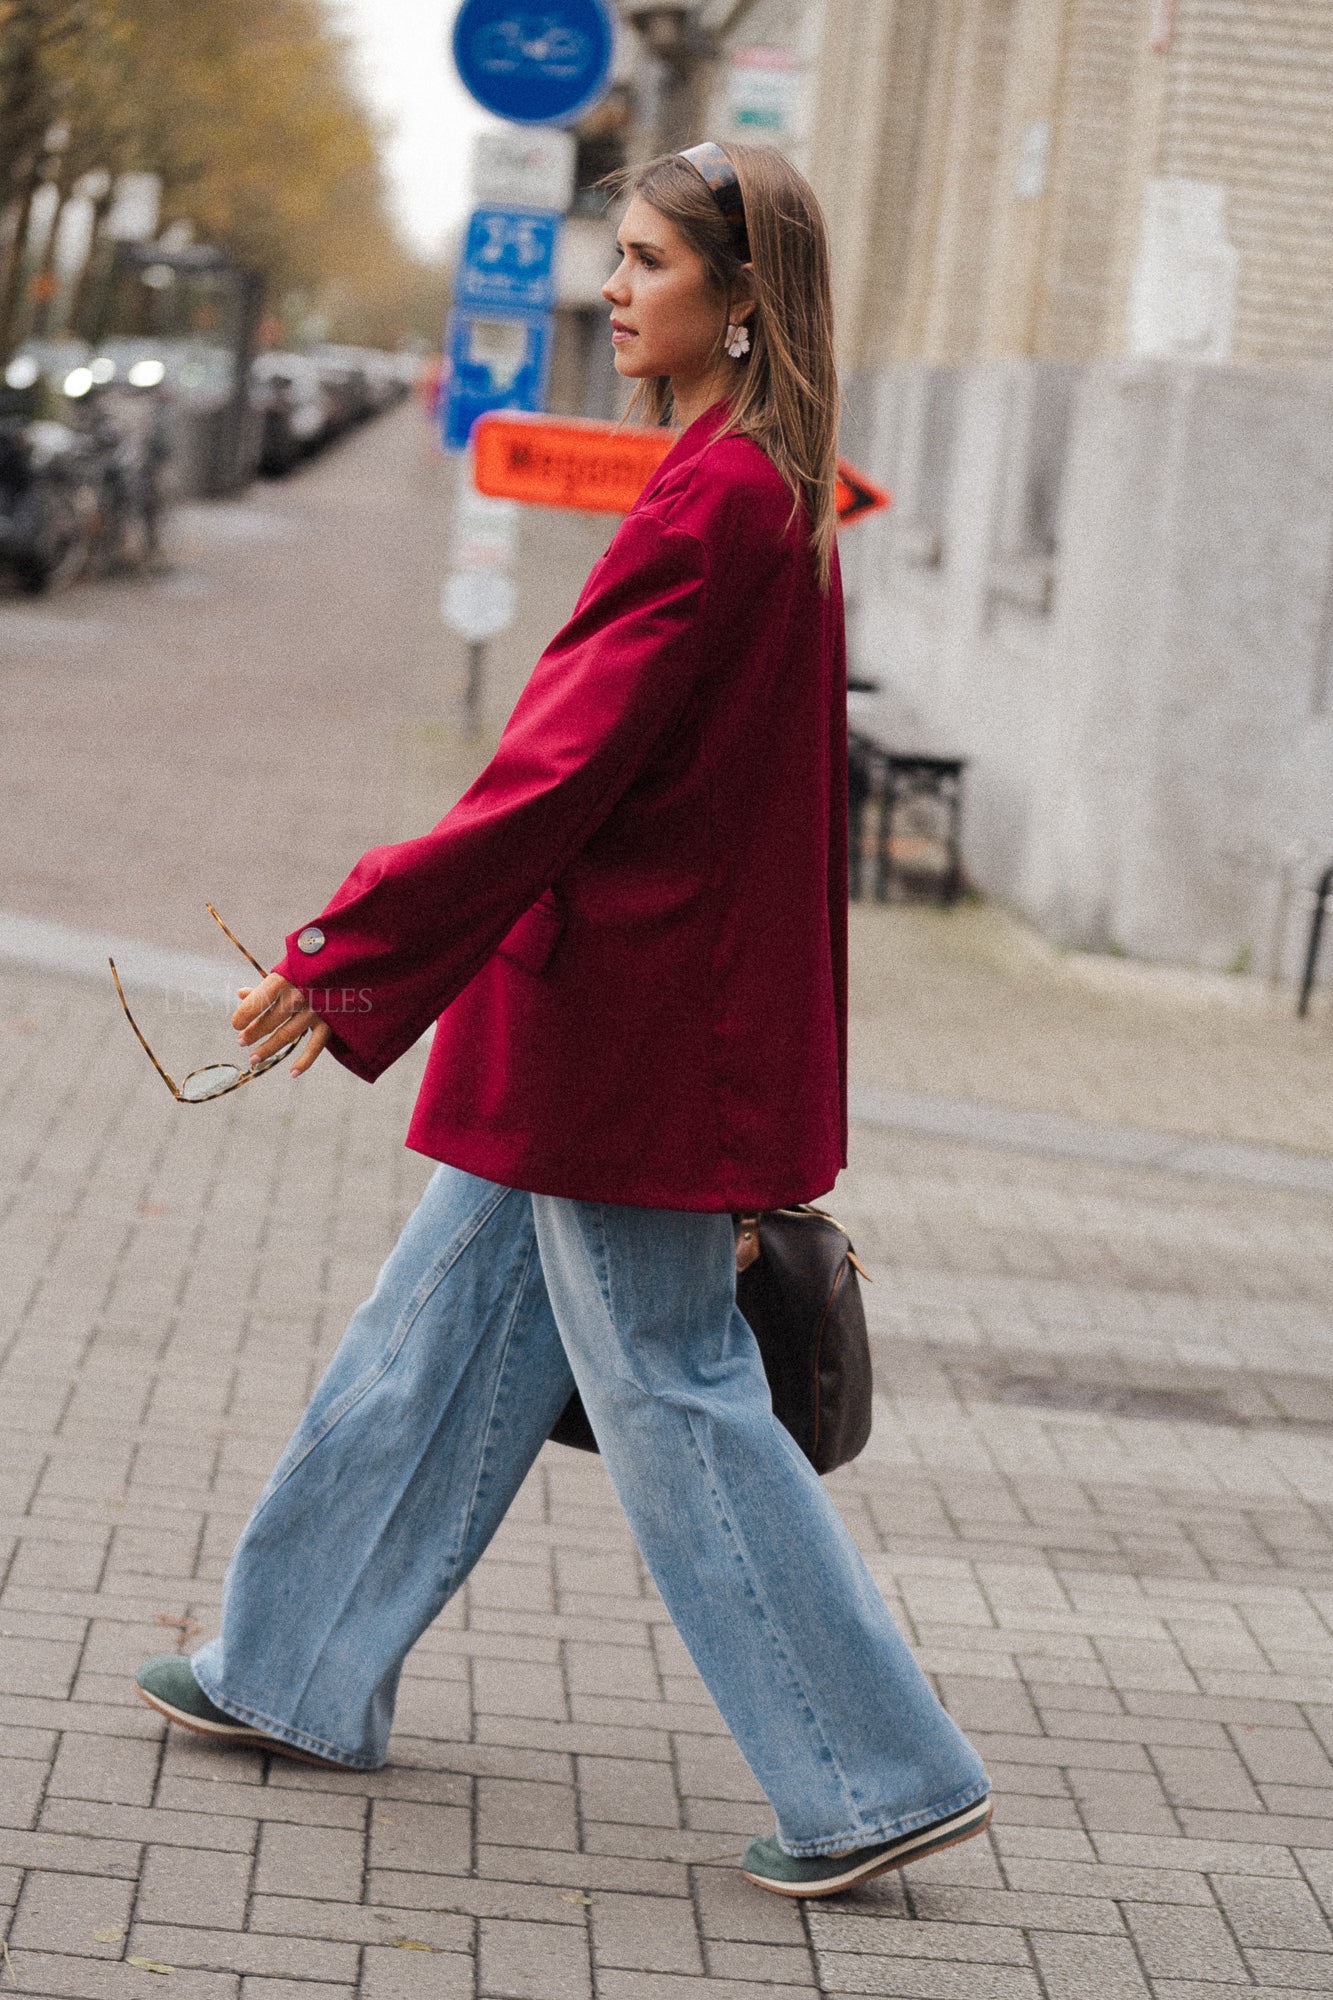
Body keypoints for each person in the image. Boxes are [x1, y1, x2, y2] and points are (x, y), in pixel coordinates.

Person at [133, 141, 990, 1899]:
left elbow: (552, 777)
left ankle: (873, 1772)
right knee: (424, 1343)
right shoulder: (763, 491)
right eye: (614, 255)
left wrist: (341, 948)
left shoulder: (718, 502)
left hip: (626, 1042)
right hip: (619, 1027)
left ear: (739, 301)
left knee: (675, 1388)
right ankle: (288, 1673)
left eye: (646, 260)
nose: (611, 289)